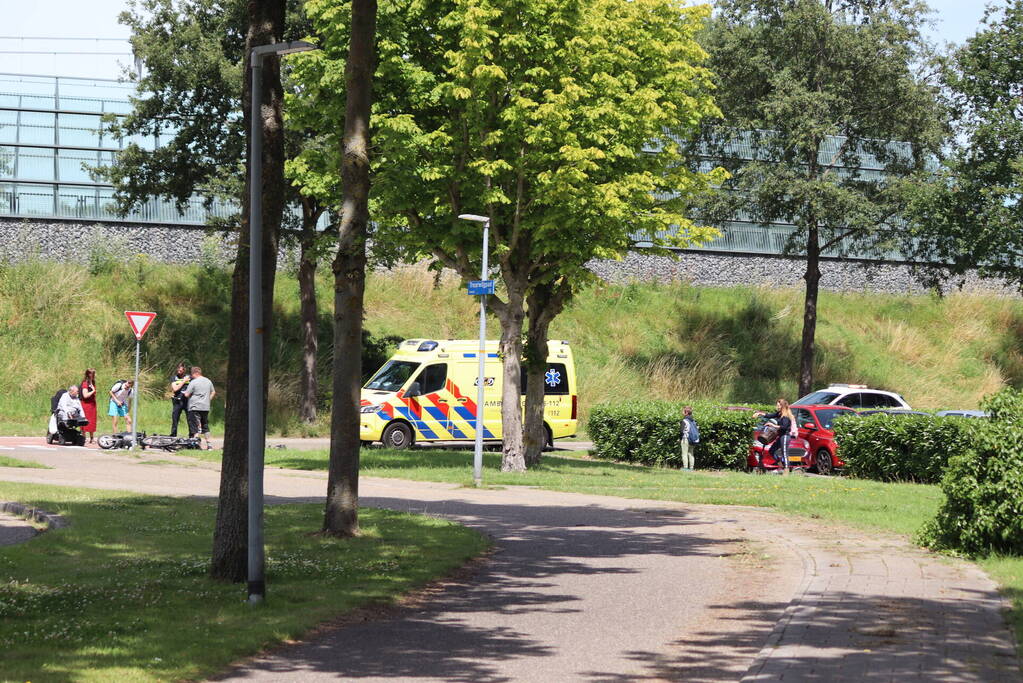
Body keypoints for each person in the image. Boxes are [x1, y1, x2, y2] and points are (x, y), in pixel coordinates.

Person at [757, 398, 795, 474]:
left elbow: (784, 427)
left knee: (784, 453)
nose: (777, 406)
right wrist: (759, 413)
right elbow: (769, 415)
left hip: (785, 436)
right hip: (780, 436)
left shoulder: (786, 416)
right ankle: (781, 465)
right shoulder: (779, 414)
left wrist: (772, 425)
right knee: (772, 451)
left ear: (782, 406)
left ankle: (786, 471)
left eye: (778, 405)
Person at [183, 366, 216, 450]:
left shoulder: (193, 382)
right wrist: (208, 400)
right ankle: (209, 445)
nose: (192, 376)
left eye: (192, 374)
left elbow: (186, 394)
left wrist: (186, 393)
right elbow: (213, 392)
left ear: (195, 373)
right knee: (205, 425)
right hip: (205, 407)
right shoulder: (208, 381)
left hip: (194, 407)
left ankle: (196, 444)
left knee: (195, 426)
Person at [169, 363, 191, 437]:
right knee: (175, 419)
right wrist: (184, 381)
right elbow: (175, 388)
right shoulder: (174, 378)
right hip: (177, 401)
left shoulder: (189, 377)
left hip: (187, 401)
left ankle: (191, 435)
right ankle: (173, 435)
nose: (179, 371)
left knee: (190, 419)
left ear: (184, 371)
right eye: (178, 370)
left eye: (181, 370)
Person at [80, 368, 98, 444]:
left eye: (94, 373)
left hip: (92, 404)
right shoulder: (85, 383)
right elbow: (85, 395)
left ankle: (92, 438)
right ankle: (83, 437)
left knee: (92, 421)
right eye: (92, 374)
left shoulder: (93, 382)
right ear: (88, 374)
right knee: (84, 421)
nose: (94, 375)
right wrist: (93, 391)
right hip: (86, 405)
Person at [680, 406, 698, 470]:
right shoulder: (693, 421)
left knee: (684, 454)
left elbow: (681, 431)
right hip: (693, 439)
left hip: (686, 439)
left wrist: (680, 439)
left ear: (686, 412)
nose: (682, 412)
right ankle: (691, 468)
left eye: (683, 411)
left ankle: (685, 468)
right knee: (691, 454)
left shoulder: (684, 421)